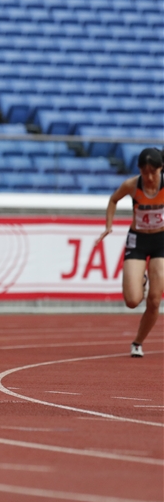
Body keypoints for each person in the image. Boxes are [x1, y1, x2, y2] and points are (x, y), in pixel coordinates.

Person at [96, 147, 164, 358]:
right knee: (132, 301)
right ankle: (141, 281)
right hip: (138, 241)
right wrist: (109, 225)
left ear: (161, 169)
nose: (150, 177)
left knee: (154, 300)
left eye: (154, 172)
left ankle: (138, 342)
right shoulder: (132, 185)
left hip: (161, 242)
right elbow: (113, 199)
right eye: (145, 172)